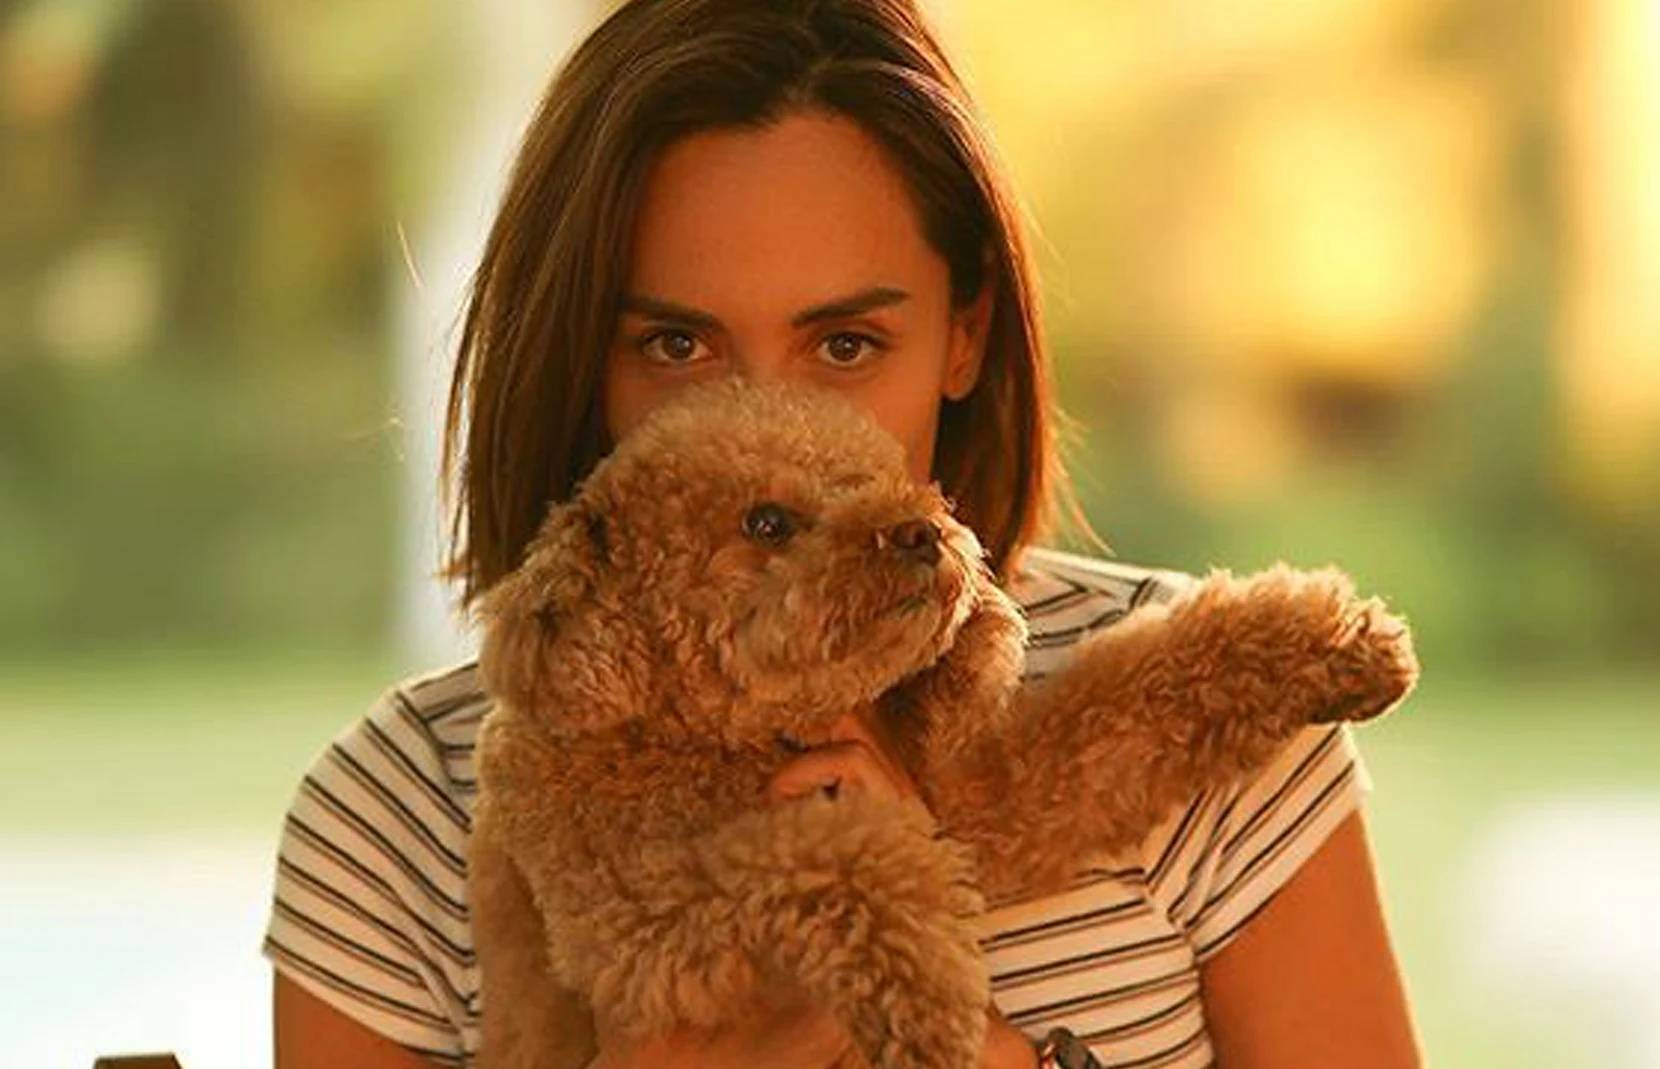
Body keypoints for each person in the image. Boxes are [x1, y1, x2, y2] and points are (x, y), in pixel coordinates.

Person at [263, 1, 1421, 1066]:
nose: (770, 423)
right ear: (581, 355)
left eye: (846, 345)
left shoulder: (1228, 737)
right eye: (676, 347)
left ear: (963, 333)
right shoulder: (400, 820)